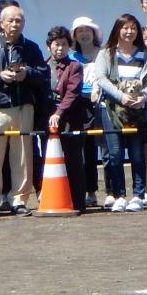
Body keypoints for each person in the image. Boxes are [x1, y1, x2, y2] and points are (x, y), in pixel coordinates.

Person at [0, 3, 47, 216]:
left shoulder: (31, 47)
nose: (15, 24)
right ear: (2, 23)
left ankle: (19, 200)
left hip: (23, 106)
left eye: (19, 20)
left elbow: (43, 75)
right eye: (11, 20)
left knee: (22, 155)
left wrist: (27, 73)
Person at [93, 13, 147, 211]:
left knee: (137, 154)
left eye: (133, 28)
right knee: (115, 154)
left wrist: (142, 98)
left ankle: (138, 195)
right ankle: (119, 194)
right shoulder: (106, 53)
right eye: (125, 28)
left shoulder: (144, 54)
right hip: (111, 110)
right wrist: (121, 96)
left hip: (137, 111)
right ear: (117, 30)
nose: (129, 32)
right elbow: (101, 78)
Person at [43, 25, 91, 212]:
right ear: (49, 46)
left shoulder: (75, 67)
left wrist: (58, 113)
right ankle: (52, 198)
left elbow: (72, 93)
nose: (60, 48)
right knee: (49, 159)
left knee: (73, 160)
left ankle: (78, 201)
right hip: (48, 117)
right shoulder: (43, 66)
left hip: (70, 118)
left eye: (64, 44)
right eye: (56, 44)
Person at [70, 17, 103, 206]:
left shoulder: (104, 54)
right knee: (82, 150)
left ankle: (109, 192)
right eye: (79, 31)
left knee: (103, 150)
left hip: (100, 103)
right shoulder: (72, 57)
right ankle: (85, 190)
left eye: (87, 30)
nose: (84, 34)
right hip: (78, 106)